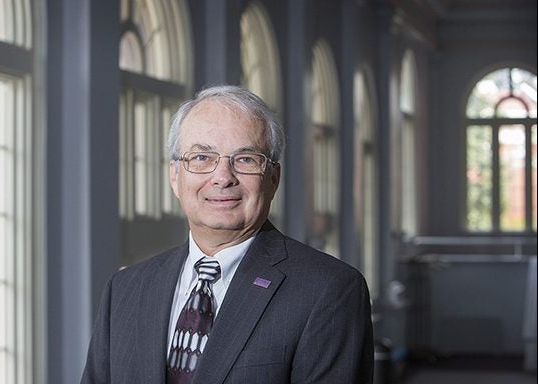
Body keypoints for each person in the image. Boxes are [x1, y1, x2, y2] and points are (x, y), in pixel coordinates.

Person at [81, 85, 374, 383]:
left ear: (273, 178)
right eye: (201, 158)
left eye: (246, 159)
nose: (222, 177)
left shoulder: (329, 290)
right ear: (175, 176)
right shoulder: (125, 290)